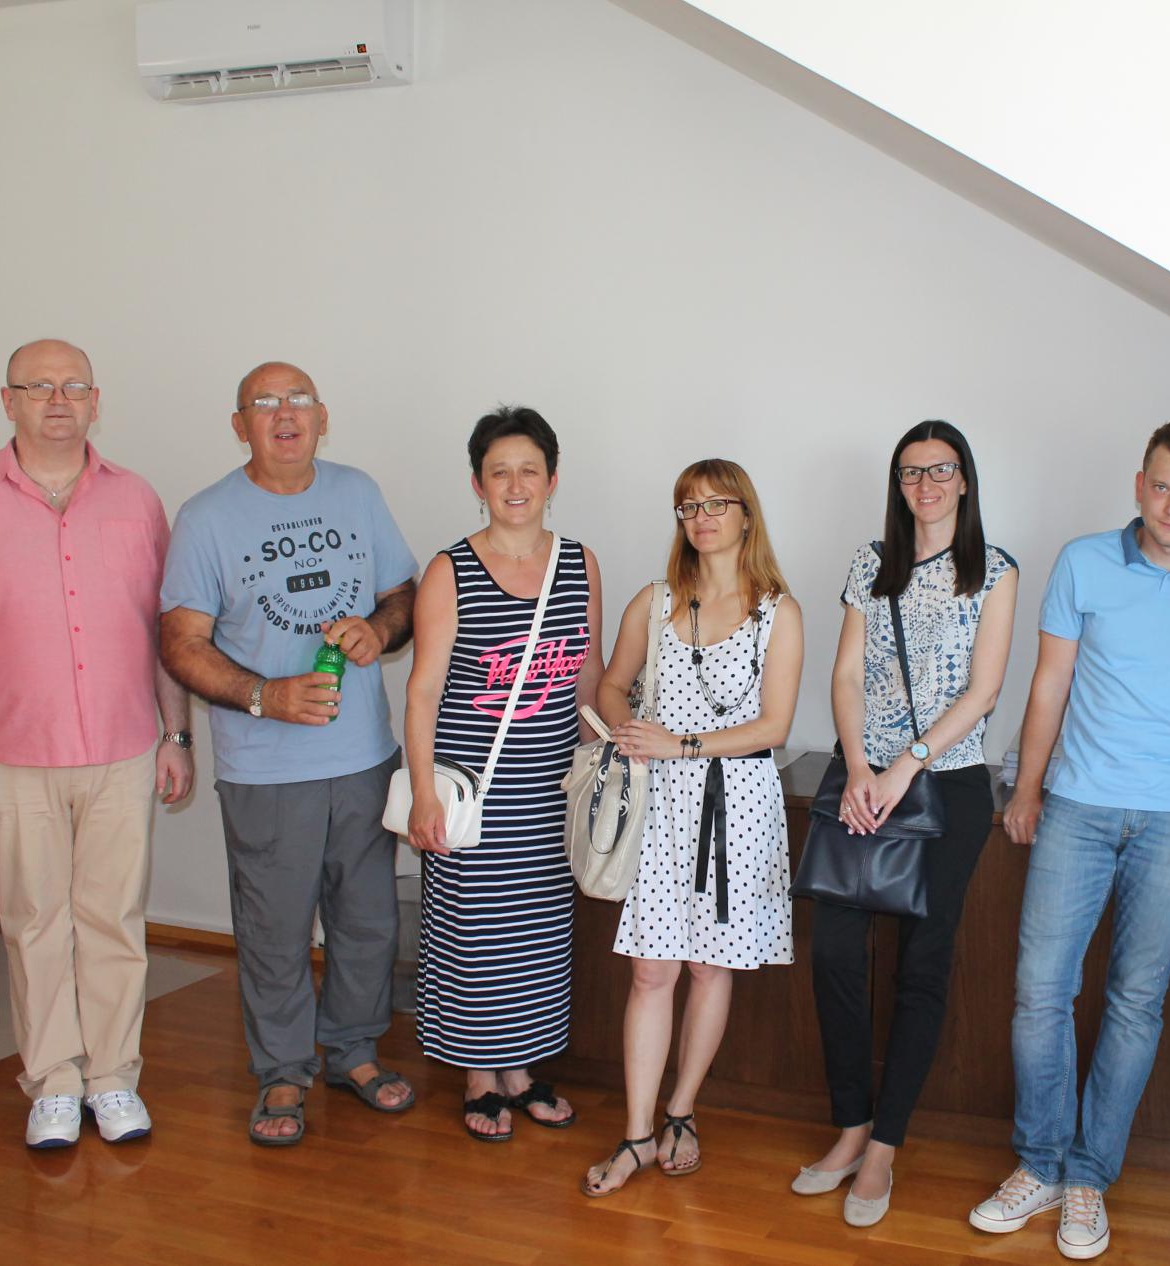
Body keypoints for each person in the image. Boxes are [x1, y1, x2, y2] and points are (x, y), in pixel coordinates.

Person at [970, 417, 1170, 1259]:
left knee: (1136, 1002)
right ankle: (1040, 1163)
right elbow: (1050, 683)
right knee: (1041, 993)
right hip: (1078, 804)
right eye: (1161, 486)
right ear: (1139, 485)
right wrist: (1027, 789)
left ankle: (1088, 1178)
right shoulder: (1083, 561)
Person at [0, 338, 193, 1148]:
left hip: (123, 750)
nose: (58, 400)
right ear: (8, 401)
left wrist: (176, 734)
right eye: (38, 387)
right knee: (33, 924)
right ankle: (55, 1081)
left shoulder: (137, 500)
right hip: (11, 755)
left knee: (114, 921)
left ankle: (113, 1077)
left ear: (96, 401)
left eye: (73, 386)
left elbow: (164, 632)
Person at [159, 361, 419, 1146]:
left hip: (363, 756)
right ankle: (281, 1070)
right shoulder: (206, 517)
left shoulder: (357, 493)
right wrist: (263, 696)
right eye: (264, 402)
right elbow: (181, 643)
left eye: (298, 400)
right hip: (266, 769)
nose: (284, 414)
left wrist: (379, 629)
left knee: (368, 921)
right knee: (274, 929)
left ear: (321, 417)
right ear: (240, 424)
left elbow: (403, 595)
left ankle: (352, 1052)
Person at [795, 420, 1019, 1227]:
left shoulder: (994, 570)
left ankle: (885, 1146)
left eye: (940, 470)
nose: (925, 485)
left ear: (965, 479)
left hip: (947, 788)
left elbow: (984, 691)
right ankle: (851, 1127)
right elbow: (846, 674)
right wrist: (860, 766)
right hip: (862, 779)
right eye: (911, 472)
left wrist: (907, 765)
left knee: (923, 965)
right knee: (833, 952)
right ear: (898, 484)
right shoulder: (871, 563)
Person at [580, 459, 804, 1196]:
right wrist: (629, 731)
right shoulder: (655, 602)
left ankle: (682, 1110)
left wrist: (681, 745)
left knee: (710, 967)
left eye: (716, 504)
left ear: (746, 515)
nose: (701, 518)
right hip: (659, 804)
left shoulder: (779, 611)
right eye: (688, 507)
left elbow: (774, 726)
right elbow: (611, 685)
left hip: (737, 803)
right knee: (651, 971)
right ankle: (637, 1134)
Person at [403, 406, 603, 1142]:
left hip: (551, 789)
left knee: (538, 938)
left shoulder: (579, 563)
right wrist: (423, 792)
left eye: (529, 470)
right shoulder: (450, 570)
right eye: (499, 472)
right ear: (477, 484)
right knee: (474, 934)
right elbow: (422, 691)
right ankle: (478, 1077)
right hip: (474, 793)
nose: (515, 485)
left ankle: (519, 1071)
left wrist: (598, 777)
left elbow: (588, 675)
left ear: (552, 479)